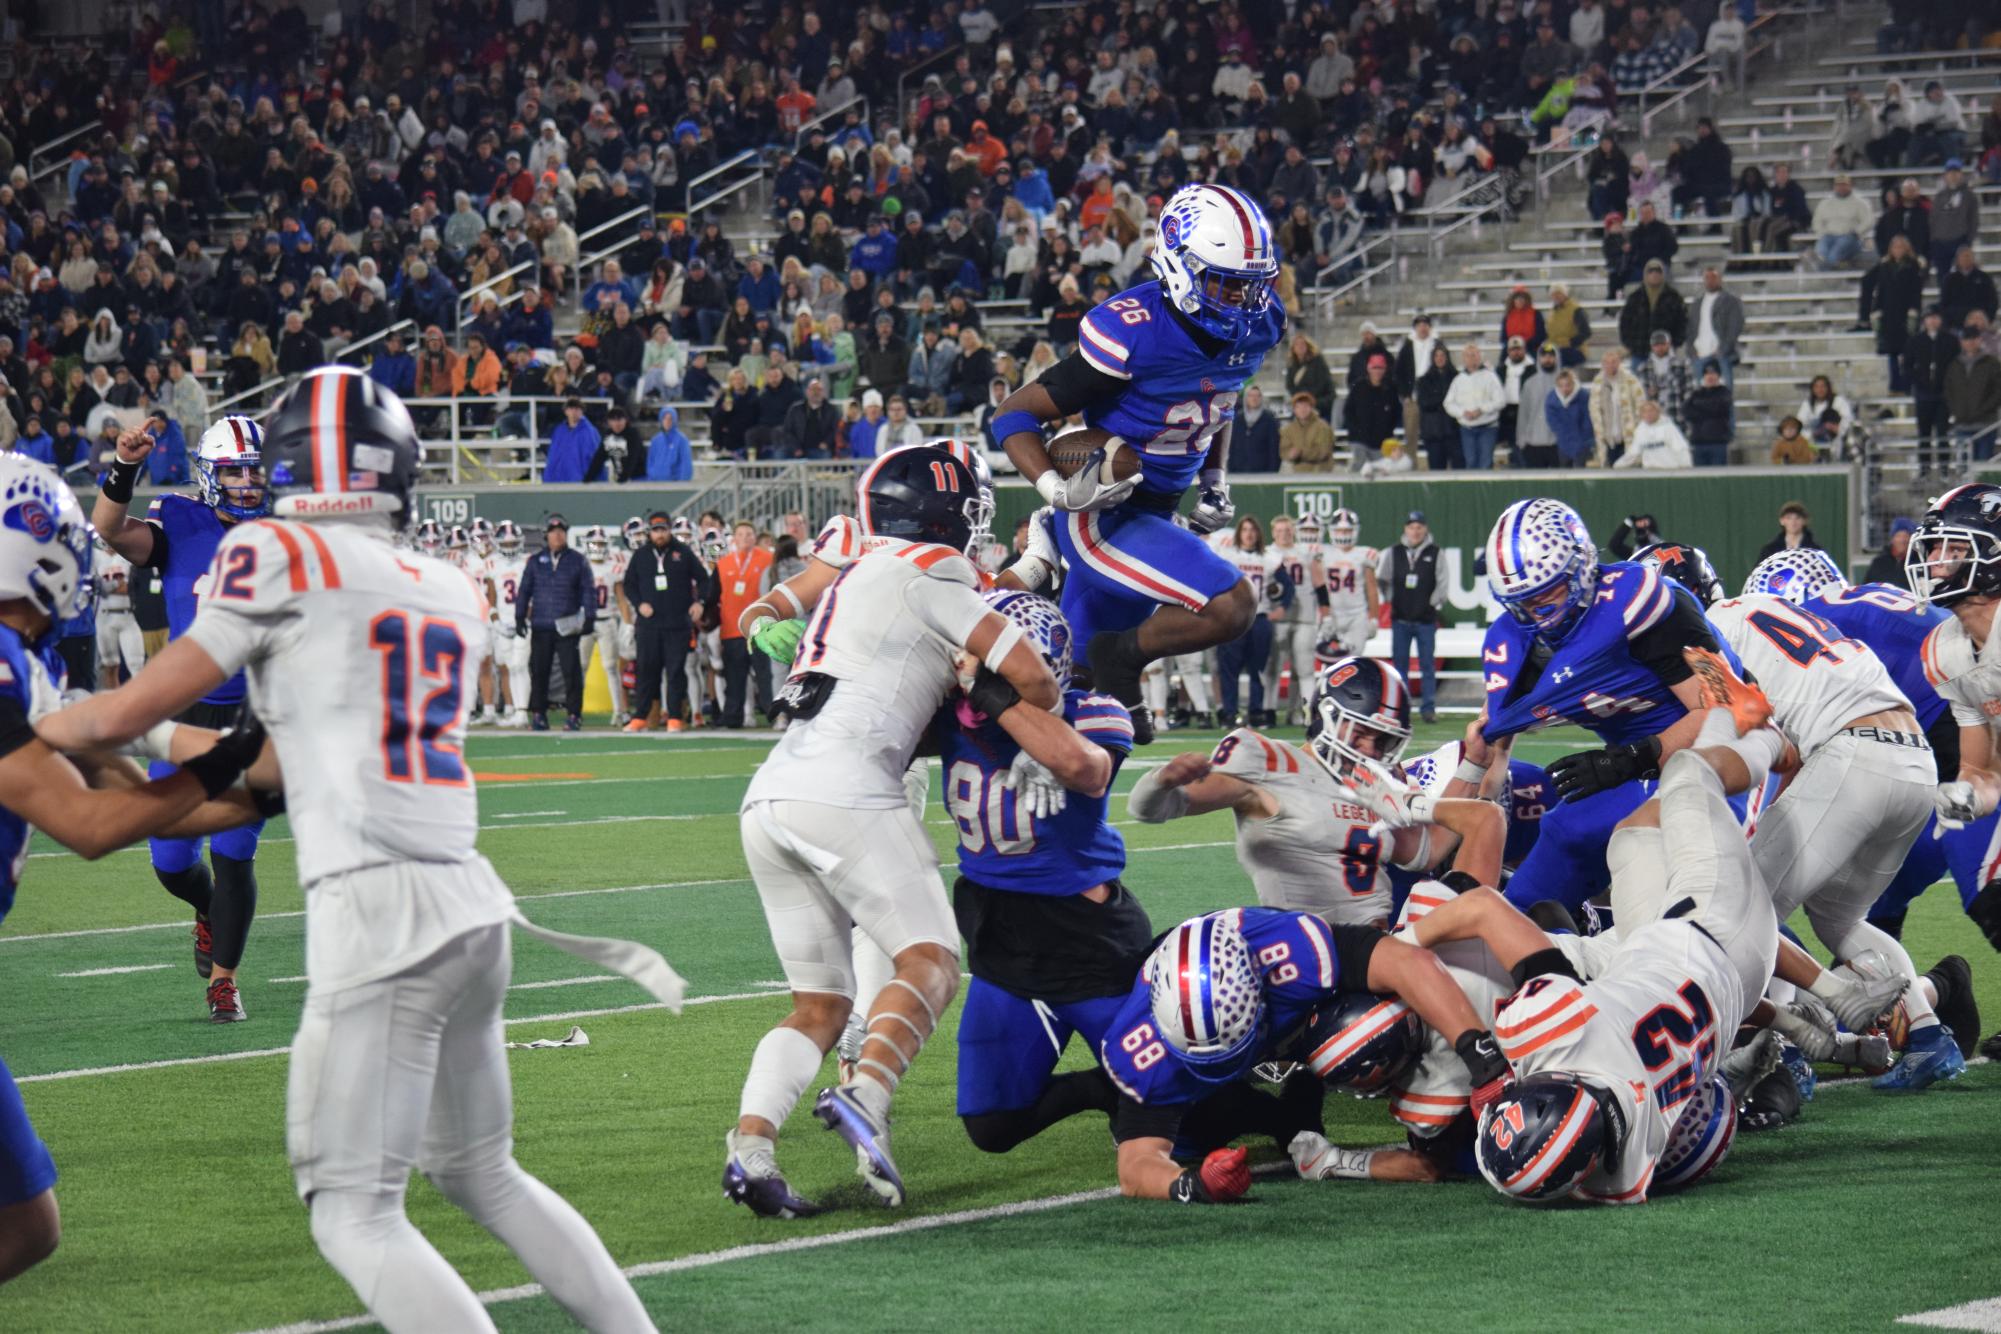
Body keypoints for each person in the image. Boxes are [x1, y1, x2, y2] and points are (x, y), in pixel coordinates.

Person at [37, 369, 675, 1328]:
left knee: (352, 1212)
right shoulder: (446, 586)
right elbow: (280, 762)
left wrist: (45, 717)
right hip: (473, 905)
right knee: (482, 1175)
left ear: (295, 468)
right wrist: (175, 753)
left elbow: (130, 711)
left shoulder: (274, 557)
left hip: (377, 912)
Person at [723, 447, 1060, 1214]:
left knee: (819, 1006)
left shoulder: (867, 566)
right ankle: (866, 1095)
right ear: (944, 513)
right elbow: (1035, 674)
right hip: (849, 789)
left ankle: (751, 1150)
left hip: (772, 790)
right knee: (933, 961)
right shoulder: (935, 571)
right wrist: (1013, 701)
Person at [0, 457, 273, 1288]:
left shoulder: (20, 663)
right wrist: (249, 765)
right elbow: (88, 823)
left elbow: (125, 776)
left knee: (27, 1228)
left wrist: (267, 790)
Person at [986, 186, 1289, 749]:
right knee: (1232, 605)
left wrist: (1214, 479)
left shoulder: (1260, 322)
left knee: (1078, 703)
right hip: (1107, 513)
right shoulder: (1133, 330)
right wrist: (1057, 492)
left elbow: (1219, 400)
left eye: (1254, 284)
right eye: (1227, 283)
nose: (1246, 300)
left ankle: (1060, 824)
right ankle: (1118, 655)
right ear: (1179, 264)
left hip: (1156, 515)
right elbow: (1013, 414)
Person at [90, 415, 271, 1021]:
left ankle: (225, 981)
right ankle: (206, 910)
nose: (247, 483)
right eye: (235, 472)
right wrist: (124, 467)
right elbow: (108, 527)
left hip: (253, 716)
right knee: (171, 863)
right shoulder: (181, 519)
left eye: (253, 470)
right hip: (183, 712)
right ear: (209, 475)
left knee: (235, 851)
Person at [1478, 498, 1736, 915]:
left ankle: (1767, 972)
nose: (1537, 614)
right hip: (1634, 764)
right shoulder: (1514, 640)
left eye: (1549, 594)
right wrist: (1484, 793)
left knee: (1693, 898)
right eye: (1523, 602)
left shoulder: (1645, 605)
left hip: (1716, 757)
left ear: (1581, 567)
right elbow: (1493, 728)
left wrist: (1634, 757)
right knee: (1556, 845)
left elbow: (1725, 710)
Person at [622, 512, 705, 733]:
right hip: (649, 625)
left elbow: (704, 579)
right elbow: (629, 585)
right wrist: (639, 604)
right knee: (646, 670)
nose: (660, 534)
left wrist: (700, 603)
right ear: (650, 532)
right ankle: (640, 716)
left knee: (676, 671)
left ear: (669, 530)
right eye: (656, 530)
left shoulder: (683, 552)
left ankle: (675, 717)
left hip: (677, 624)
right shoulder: (640, 555)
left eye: (663, 530)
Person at [515, 514, 595, 732]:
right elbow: (524, 590)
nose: (557, 535)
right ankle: (538, 714)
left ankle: (574, 714)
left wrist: (589, 616)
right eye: (553, 532)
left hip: (567, 624)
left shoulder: (577, 560)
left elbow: (588, 590)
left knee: (572, 672)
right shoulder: (535, 561)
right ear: (547, 535)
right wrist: (520, 615)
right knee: (539, 671)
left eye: (561, 531)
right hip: (541, 624)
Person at [1378, 513, 1442, 723]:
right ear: (1406, 529)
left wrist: (1431, 604)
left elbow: (1443, 583)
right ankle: (1401, 708)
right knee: (1400, 667)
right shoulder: (1393, 552)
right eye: (1412, 527)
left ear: (1425, 529)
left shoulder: (1435, 553)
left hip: (1425, 620)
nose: (1416, 531)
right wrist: (1391, 599)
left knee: (1427, 666)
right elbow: (1382, 578)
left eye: (1419, 527)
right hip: (1401, 619)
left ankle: (1428, 708)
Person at [1215, 516, 1277, 727]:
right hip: (1233, 619)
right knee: (1228, 669)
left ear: (1258, 534)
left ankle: (1256, 711)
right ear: (1239, 533)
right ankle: (1230, 713)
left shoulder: (1270, 558)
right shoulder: (1228, 556)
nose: (1249, 534)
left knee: (1258, 669)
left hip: (1259, 618)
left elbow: (1284, 587)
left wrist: (1281, 602)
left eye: (1253, 530)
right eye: (1245, 530)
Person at [713, 521, 775, 729]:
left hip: (760, 626)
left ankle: (774, 715)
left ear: (755, 537)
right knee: (734, 677)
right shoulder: (723, 563)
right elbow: (714, 596)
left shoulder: (768, 560)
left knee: (765, 675)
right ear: (734, 538)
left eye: (749, 534)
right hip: (732, 627)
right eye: (741, 534)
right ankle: (732, 717)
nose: (745, 538)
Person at [1867, 234, 1928, 394]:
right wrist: (1876, 311)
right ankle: (1894, 385)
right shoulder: (1885, 267)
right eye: (1895, 246)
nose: (1898, 250)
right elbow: (1880, 291)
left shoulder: (1914, 266)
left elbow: (1916, 292)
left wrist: (1914, 312)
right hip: (1888, 314)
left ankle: (1907, 384)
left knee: (1907, 352)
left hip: (1905, 313)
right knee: (1891, 352)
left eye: (1901, 246)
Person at [1907, 306, 1957, 478]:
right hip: (1923, 394)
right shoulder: (1916, 341)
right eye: (1929, 317)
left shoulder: (1950, 340)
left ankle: (1944, 467)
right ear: (1924, 320)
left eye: (1936, 317)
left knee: (1943, 432)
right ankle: (1924, 467)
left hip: (1943, 395)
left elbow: (1955, 365)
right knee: (1924, 433)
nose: (1932, 321)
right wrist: (1919, 380)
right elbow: (1907, 365)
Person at [1944, 323, 2001, 464]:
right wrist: (1956, 410)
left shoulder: (1992, 363)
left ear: (1979, 340)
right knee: (1963, 466)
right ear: (1961, 342)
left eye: (1973, 338)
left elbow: (1998, 391)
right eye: (1966, 339)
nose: (1970, 342)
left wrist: (1984, 410)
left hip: (1985, 424)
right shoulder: (1954, 365)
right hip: (1962, 424)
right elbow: (1949, 391)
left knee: (1982, 466)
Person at [1443, 343, 1503, 470]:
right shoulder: (1458, 380)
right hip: (1467, 429)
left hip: (1488, 427)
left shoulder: (1490, 377)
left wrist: (1481, 410)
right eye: (1468, 355)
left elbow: (1500, 400)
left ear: (1479, 356)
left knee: (1485, 463)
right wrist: (1462, 413)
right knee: (1470, 463)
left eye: (1474, 355)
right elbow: (1448, 403)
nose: (1471, 358)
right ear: (1463, 358)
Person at [1618, 259, 1687, 360]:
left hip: (1666, 354)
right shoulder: (1635, 297)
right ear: (1646, 274)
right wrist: (1631, 345)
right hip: (1639, 352)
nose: (1654, 274)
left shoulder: (1674, 297)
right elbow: (1625, 323)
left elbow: (1683, 322)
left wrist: (1674, 343)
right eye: (1651, 271)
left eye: (1658, 271)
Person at [1588, 349, 1645, 465]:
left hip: (1628, 436)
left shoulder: (1631, 380)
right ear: (1603, 364)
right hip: (1608, 438)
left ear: (1619, 362)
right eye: (1607, 362)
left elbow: (1641, 405)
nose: (1610, 365)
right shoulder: (1597, 383)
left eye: (1613, 361)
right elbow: (1594, 410)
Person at [1811, 174, 1874, 269]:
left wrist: (1856, 232)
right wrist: (1822, 233)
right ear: (1834, 186)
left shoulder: (1860, 202)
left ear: (1850, 185)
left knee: (1834, 255)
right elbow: (1816, 222)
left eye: (1844, 184)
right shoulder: (1825, 203)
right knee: (1821, 253)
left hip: (1850, 237)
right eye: (1838, 185)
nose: (1841, 187)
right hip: (1828, 236)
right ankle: (1826, 270)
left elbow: (1869, 220)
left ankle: (1825, 273)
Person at [1515, 345, 1563, 469]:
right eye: (1544, 356)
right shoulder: (1529, 383)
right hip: (1533, 444)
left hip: (1558, 444)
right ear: (1539, 359)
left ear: (1557, 358)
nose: (1547, 359)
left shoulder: (1565, 383)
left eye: (1551, 356)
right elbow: (1523, 414)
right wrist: (1522, 440)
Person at [1635, 330, 1693, 430]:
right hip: (1653, 419)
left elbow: (1690, 390)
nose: (1660, 347)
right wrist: (1649, 394)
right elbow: (1640, 396)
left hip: (1677, 415)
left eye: (1663, 344)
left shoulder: (1682, 364)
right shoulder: (1643, 368)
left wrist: (1684, 411)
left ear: (1669, 344)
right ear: (1652, 346)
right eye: (1656, 345)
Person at [1614, 399, 1693, 469]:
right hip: (1650, 472)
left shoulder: (1669, 428)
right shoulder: (1640, 430)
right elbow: (1633, 453)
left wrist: (1686, 468)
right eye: (1645, 411)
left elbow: (1680, 449)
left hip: (1670, 471)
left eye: (1651, 411)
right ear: (1641, 415)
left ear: (1658, 412)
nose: (1648, 414)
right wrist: (1618, 465)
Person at [543, 397, 603, 483]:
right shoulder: (559, 431)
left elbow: (595, 457)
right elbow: (553, 456)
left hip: (582, 482)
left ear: (582, 411)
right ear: (566, 411)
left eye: (577, 409)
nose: (574, 412)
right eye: (571, 408)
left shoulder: (590, 432)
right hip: (559, 481)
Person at [1683, 362, 1732, 466]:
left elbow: (1718, 408)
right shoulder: (1696, 393)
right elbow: (1686, 411)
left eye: (1713, 373)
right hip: (1698, 443)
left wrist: (1699, 407)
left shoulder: (1724, 392)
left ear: (1718, 375)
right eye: (1707, 373)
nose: (1710, 376)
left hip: (1718, 443)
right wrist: (1707, 408)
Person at [1940, 245, 1998, 332]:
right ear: (1957, 259)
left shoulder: (1984, 278)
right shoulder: (1949, 280)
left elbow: (1993, 301)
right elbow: (1944, 304)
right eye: (1963, 256)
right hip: (1956, 324)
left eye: (1968, 256)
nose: (1966, 259)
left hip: (1981, 324)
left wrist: (1985, 318)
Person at [1278, 391, 1334, 472]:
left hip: (1320, 473)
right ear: (1294, 409)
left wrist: (1300, 453)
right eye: (1298, 406)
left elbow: (1323, 452)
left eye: (1305, 406)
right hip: (1297, 474)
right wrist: (1289, 454)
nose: (1302, 410)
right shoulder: (1288, 429)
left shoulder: (1323, 427)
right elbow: (1283, 450)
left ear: (1311, 408)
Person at [1231, 384, 1280, 472]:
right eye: (1251, 395)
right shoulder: (1238, 419)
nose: (1254, 398)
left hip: (1263, 470)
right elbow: (1232, 446)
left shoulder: (1269, 419)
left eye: (1258, 395)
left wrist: (1272, 471)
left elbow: (1273, 448)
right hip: (1239, 470)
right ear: (1246, 398)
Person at [1756, 500, 1823, 561]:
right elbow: (1759, 572)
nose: (1793, 522)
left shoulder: (1815, 550)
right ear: (1782, 521)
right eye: (1789, 518)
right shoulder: (1770, 550)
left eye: (1798, 518)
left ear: (1804, 521)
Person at [1865, 518, 1916, 589]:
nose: (1902, 540)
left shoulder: (1917, 562)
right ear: (1892, 538)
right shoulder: (1879, 562)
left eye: (1906, 536)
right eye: (1898, 536)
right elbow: (1868, 588)